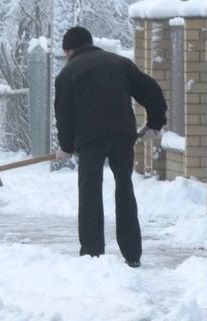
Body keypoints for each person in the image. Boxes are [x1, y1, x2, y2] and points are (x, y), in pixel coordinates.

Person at [54, 26, 167, 268]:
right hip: (122, 135)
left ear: (69, 50)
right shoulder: (119, 63)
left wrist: (65, 145)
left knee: (90, 192)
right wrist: (155, 122)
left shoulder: (67, 73)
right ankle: (132, 253)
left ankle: (92, 253)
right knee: (124, 189)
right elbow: (151, 90)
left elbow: (64, 114)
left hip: (90, 139)